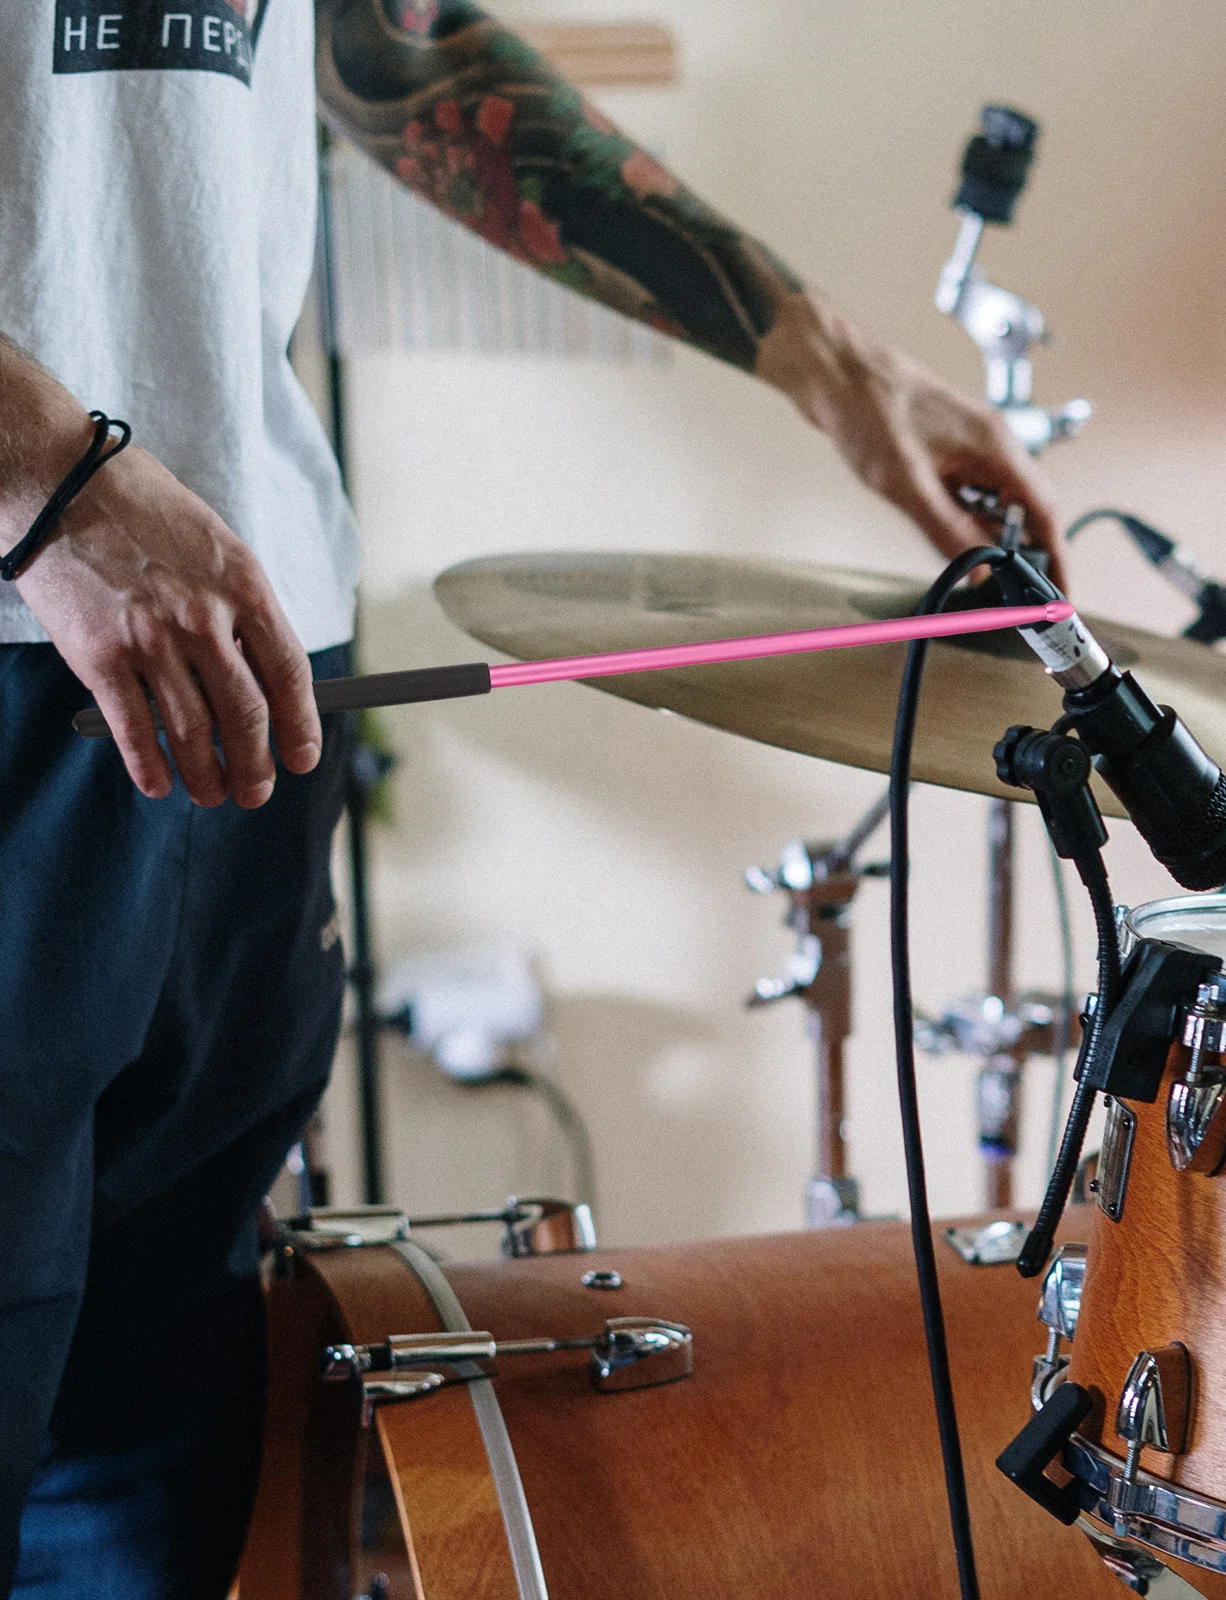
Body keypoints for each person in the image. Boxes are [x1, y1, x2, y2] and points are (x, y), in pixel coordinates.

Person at [0, 0, 1062, 1592]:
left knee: (143, 1487)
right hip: (34, 602)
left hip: (241, 645)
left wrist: (826, 357)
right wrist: (50, 480)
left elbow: (395, 46)